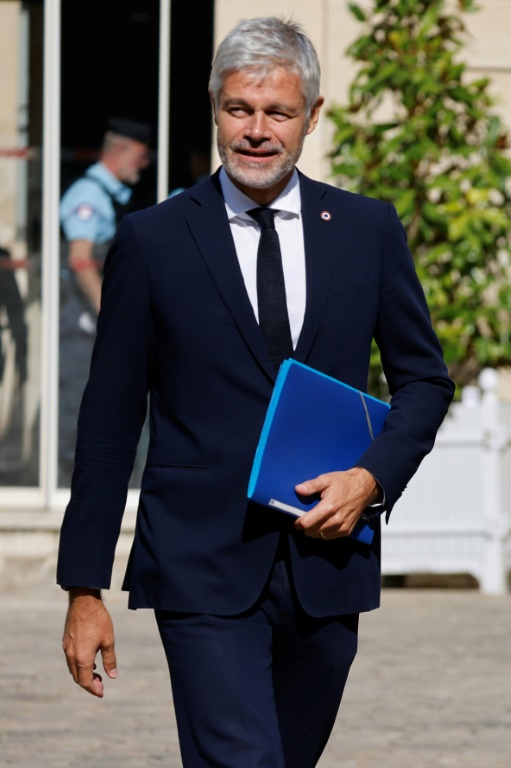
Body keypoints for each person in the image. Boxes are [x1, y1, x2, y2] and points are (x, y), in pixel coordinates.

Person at [57, 17, 455, 768]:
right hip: (197, 567)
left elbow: (424, 381)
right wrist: (84, 587)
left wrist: (370, 479)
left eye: (277, 112)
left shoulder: (366, 230)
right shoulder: (153, 240)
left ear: (312, 115)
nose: (256, 131)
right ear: (214, 106)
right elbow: (109, 423)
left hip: (327, 570)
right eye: (239, 109)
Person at [58, 118, 151, 483]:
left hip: (100, 319)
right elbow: (80, 259)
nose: (144, 165)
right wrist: (107, 312)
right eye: (140, 156)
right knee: (77, 403)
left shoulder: (114, 196)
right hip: (83, 320)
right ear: (120, 151)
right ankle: (69, 484)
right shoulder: (89, 196)